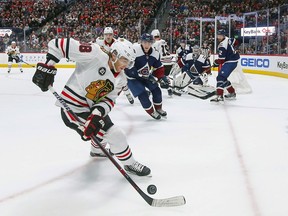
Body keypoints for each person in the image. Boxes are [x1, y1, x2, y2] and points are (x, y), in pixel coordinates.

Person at [32, 37, 151, 177]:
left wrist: (96, 115)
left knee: (97, 126)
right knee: (115, 134)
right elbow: (59, 44)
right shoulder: (94, 54)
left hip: (90, 109)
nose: (127, 65)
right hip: (72, 109)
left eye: (130, 62)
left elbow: (108, 100)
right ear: (114, 55)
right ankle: (130, 163)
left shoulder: (121, 79)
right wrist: (49, 65)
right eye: (125, 60)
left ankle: (97, 151)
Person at [125, 33, 170, 120]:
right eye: (145, 42)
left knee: (156, 90)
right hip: (133, 78)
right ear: (141, 42)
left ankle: (158, 108)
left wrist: (161, 77)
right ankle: (151, 111)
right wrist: (136, 74)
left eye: (149, 42)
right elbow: (128, 65)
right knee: (143, 94)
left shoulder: (155, 53)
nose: (147, 45)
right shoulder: (134, 50)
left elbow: (158, 67)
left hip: (145, 76)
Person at [96, 27, 134, 104]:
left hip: (116, 65)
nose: (108, 36)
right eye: (106, 34)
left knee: (123, 81)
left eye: (110, 34)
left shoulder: (118, 43)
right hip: (106, 65)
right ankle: (110, 96)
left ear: (113, 35)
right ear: (103, 35)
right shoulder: (99, 42)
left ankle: (127, 94)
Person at [210, 29, 239, 103]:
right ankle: (232, 92)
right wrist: (233, 50)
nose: (219, 37)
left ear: (223, 35)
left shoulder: (222, 45)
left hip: (230, 62)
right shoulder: (229, 39)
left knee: (220, 77)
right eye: (218, 35)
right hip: (233, 61)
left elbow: (221, 60)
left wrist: (216, 62)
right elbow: (236, 41)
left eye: (220, 35)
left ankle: (219, 96)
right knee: (223, 78)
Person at [151, 29, 174, 96]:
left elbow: (154, 54)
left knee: (152, 74)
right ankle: (169, 88)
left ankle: (150, 89)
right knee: (164, 76)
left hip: (162, 62)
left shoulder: (154, 44)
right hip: (169, 62)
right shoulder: (164, 41)